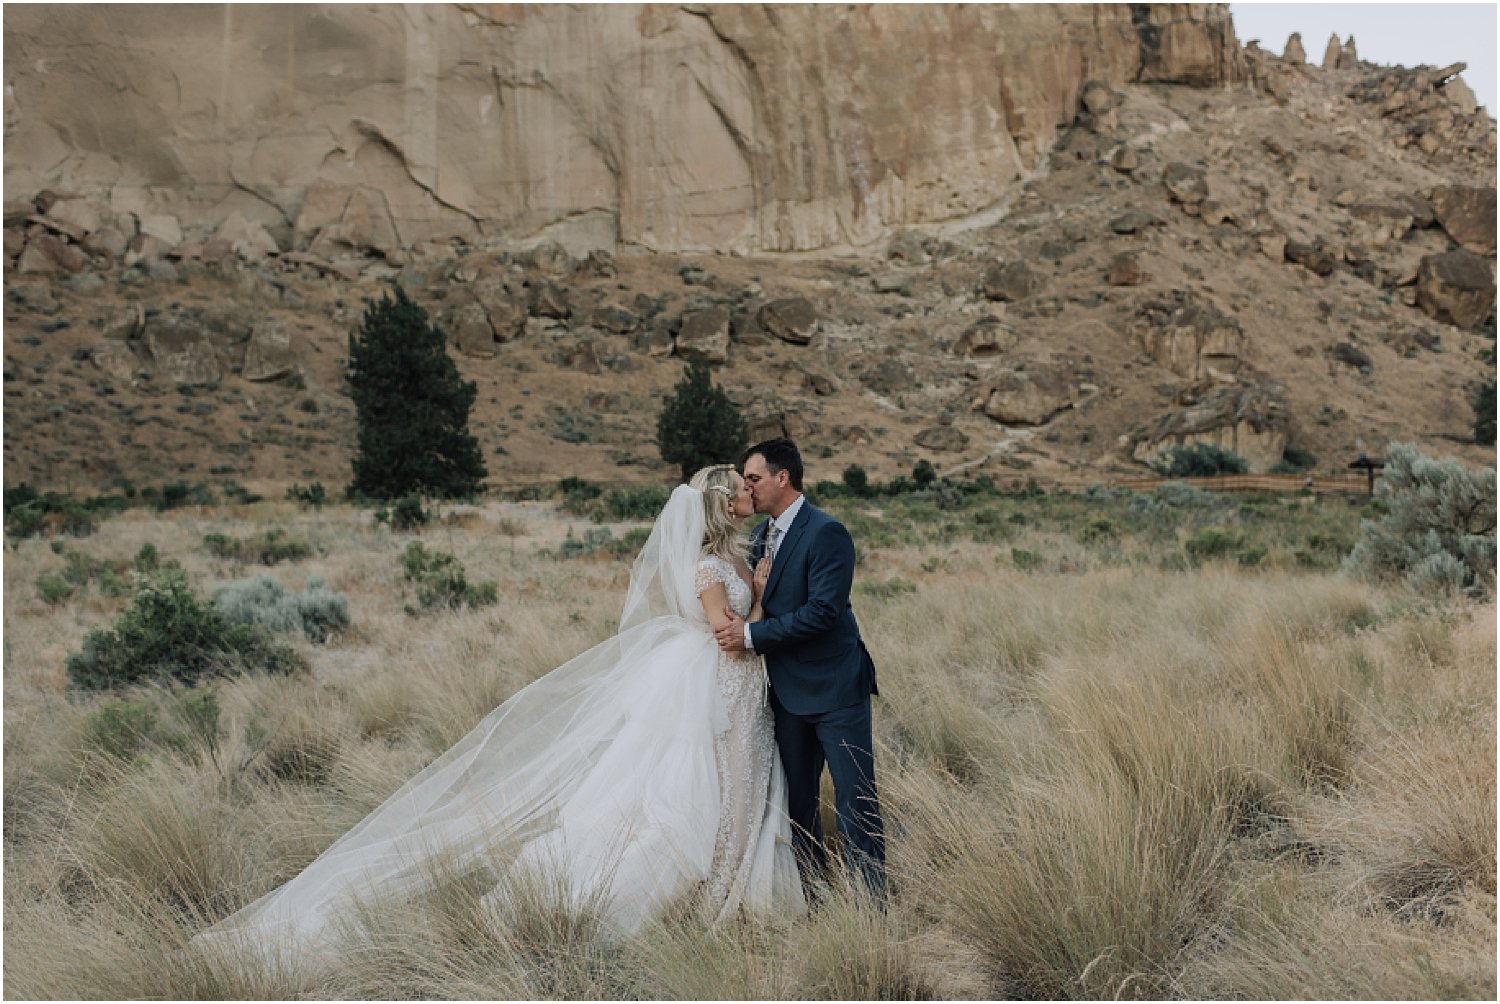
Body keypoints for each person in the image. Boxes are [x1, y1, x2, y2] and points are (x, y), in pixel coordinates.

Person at [192, 465, 804, 970]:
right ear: (722, 503)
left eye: (753, 485)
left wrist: (760, 581)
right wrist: (759, 620)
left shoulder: (733, 554)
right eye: (741, 488)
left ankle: (734, 887)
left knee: (735, 784)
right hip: (715, 681)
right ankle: (675, 895)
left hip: (735, 686)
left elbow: (741, 606)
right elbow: (726, 629)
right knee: (691, 790)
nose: (749, 494)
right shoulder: (705, 566)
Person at [713, 438, 887, 901]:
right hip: (784, 695)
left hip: (835, 689)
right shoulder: (756, 539)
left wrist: (750, 637)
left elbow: (822, 613)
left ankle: (871, 904)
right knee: (798, 805)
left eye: (754, 479)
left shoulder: (826, 532)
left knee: (855, 801)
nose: (748, 489)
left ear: (782, 477)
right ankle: (811, 896)